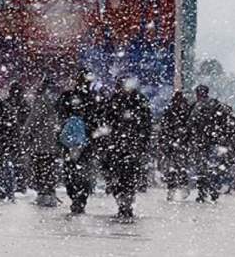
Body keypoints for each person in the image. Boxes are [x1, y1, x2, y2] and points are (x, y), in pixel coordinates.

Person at [100, 76, 152, 219]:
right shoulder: (114, 101)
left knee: (129, 178)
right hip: (116, 147)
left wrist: (142, 143)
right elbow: (106, 122)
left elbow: (146, 124)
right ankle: (122, 202)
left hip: (132, 147)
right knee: (116, 177)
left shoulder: (138, 102)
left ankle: (126, 204)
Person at [55, 68, 99, 215]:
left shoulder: (68, 96)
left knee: (71, 172)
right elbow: (98, 121)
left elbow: (59, 115)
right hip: (85, 143)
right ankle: (79, 199)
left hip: (71, 143)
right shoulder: (93, 98)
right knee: (81, 173)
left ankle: (76, 198)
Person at [188, 84, 234, 202]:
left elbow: (190, 123)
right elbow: (227, 114)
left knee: (203, 168)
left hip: (203, 141)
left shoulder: (196, 106)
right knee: (212, 167)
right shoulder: (214, 104)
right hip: (212, 141)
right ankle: (212, 190)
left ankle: (204, 192)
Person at [26, 78, 61, 207]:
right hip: (54, 144)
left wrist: (27, 135)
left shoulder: (40, 102)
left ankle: (43, 194)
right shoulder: (58, 102)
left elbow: (32, 121)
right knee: (51, 169)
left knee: (40, 169)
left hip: (41, 144)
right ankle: (51, 193)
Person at [0, 82, 30, 201]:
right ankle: (19, 185)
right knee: (17, 163)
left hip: (8, 137)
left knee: (7, 164)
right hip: (15, 137)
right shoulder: (22, 104)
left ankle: (9, 186)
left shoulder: (7, 104)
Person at [159, 90, 193, 201]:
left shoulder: (171, 110)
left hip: (176, 142)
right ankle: (177, 188)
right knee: (177, 167)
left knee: (175, 167)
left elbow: (164, 127)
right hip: (178, 143)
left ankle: (174, 189)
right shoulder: (184, 110)